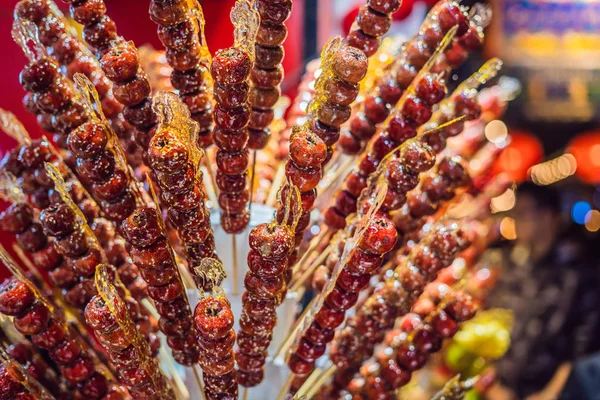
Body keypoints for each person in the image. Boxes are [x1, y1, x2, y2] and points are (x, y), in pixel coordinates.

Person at [486, 182, 600, 400]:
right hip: (502, 390)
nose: (517, 220)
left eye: (523, 212)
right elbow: (493, 324)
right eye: (515, 212)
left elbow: (583, 342)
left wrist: (550, 393)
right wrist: (492, 383)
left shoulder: (576, 273)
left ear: (548, 216)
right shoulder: (512, 267)